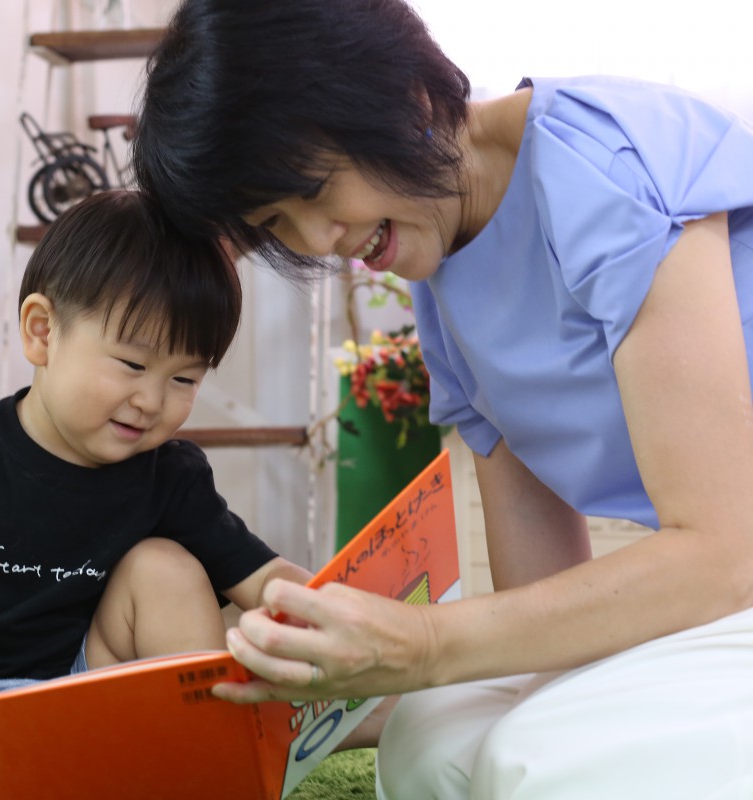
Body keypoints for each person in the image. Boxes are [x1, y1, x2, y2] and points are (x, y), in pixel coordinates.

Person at [133, 1, 753, 797]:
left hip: (733, 573)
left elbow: (723, 555)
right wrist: (353, 677)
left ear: (394, 95)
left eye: (313, 190)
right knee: (433, 742)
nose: (319, 241)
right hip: (728, 591)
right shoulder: (441, 282)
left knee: (536, 756)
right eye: (276, 224)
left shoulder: (599, 164)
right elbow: (542, 603)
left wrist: (423, 643)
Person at [0, 190, 310, 800]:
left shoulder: (170, 474)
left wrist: (347, 606)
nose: (152, 399)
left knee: (166, 567)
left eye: (183, 378)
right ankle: (46, 785)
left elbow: (260, 578)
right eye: (130, 363)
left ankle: (196, 760)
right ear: (42, 333)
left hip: (94, 700)